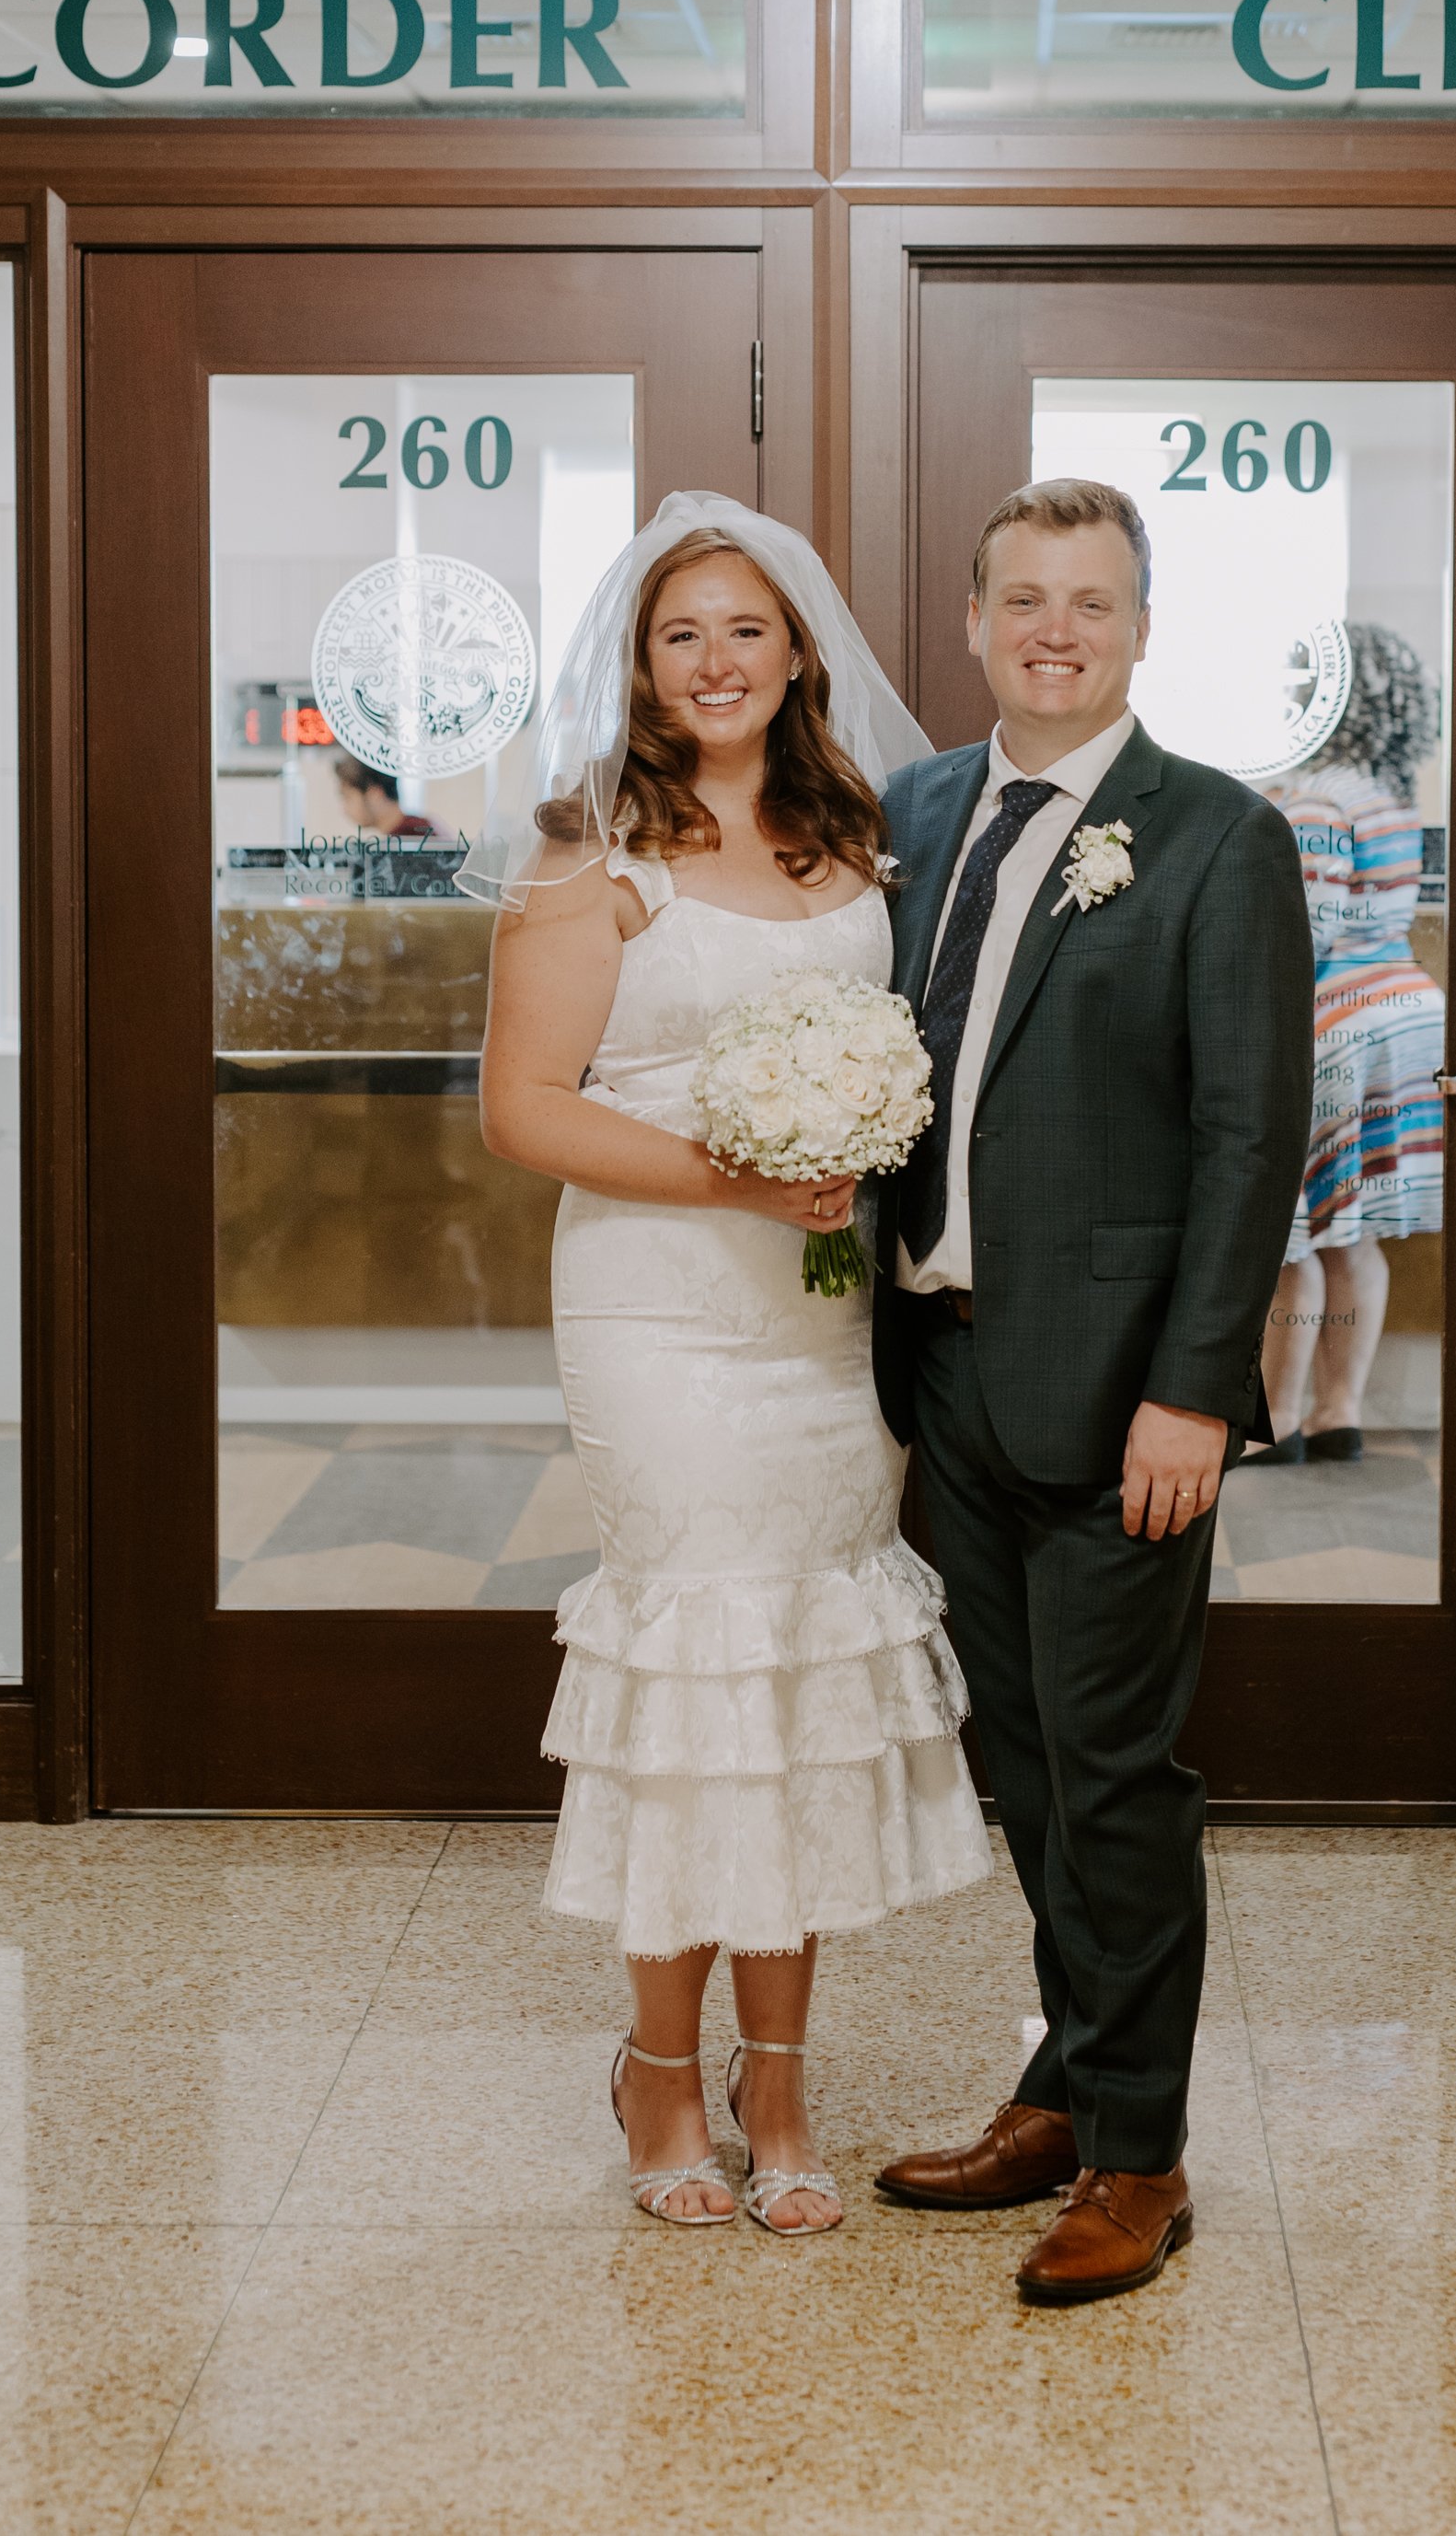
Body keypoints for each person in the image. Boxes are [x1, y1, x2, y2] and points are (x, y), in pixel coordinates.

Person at [479, 492, 989, 2238]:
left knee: (800, 1669)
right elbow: (523, 1110)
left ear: (797, 657)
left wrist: (836, 1168)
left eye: (746, 631)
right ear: (638, 661)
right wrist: (737, 1174)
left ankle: (783, 2084)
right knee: (700, 1670)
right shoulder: (585, 862)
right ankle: (660, 2072)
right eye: (681, 632)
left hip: (821, 1317)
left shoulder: (858, 850)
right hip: (657, 1313)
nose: (716, 661)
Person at [869, 476, 1312, 2307]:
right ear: (970, 623)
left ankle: (1139, 2157)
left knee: (1113, 1774)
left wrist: (1194, 1392)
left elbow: (1245, 1134)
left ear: (1137, 633)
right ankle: (1066, 2082)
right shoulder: (905, 816)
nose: (1055, 627)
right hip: (937, 1372)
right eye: (1023, 598)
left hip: (1125, 1393)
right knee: (1021, 1764)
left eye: (1093, 602)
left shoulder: (1210, 835)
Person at [1251, 626, 1445, 1466]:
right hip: (1404, 1014)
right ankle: (1341, 1411)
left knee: (1290, 1232)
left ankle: (1279, 1420)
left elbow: (1305, 931)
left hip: (1332, 1023)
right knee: (1349, 1230)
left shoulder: (1319, 800)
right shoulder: (1390, 795)